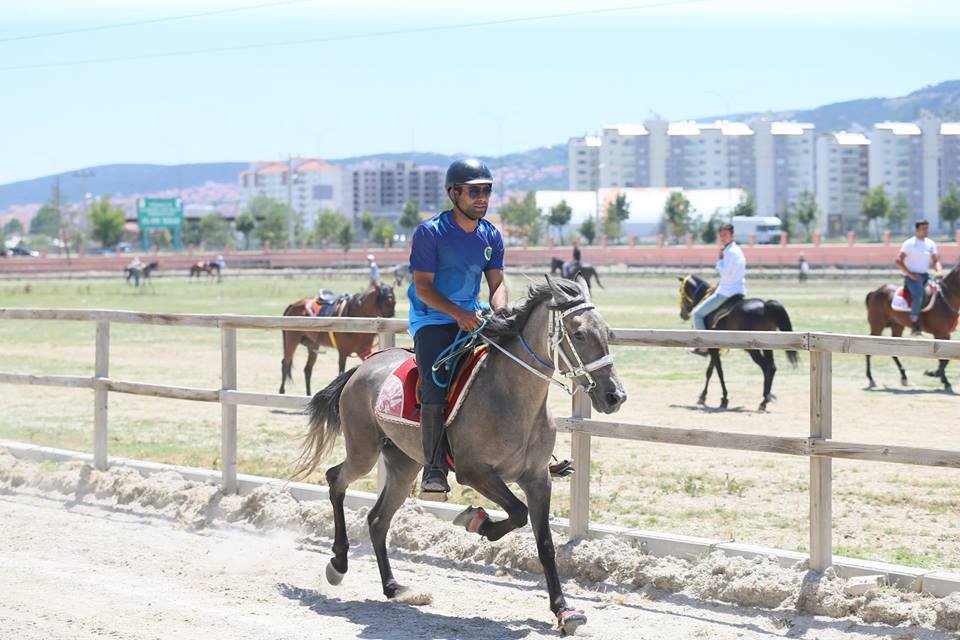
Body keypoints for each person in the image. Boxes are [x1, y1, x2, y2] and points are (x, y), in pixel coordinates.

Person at [408, 158, 507, 500]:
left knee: (511, 366)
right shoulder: (429, 233)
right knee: (435, 380)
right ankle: (434, 468)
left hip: (475, 317)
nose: (483, 197)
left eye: (487, 190)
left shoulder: (491, 234)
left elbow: (497, 284)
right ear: (453, 193)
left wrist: (501, 312)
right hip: (433, 318)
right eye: (475, 191)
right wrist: (457, 314)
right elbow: (423, 287)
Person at [690, 223, 746, 356]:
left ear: (732, 235)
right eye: (721, 236)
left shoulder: (728, 253)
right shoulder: (738, 250)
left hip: (726, 293)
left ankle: (704, 348)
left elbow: (725, 273)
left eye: (725, 235)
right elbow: (733, 274)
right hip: (739, 290)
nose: (722, 238)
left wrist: (719, 259)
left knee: (696, 315)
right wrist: (718, 284)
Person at [895, 219, 942, 336]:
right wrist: (911, 275)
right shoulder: (910, 243)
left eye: (927, 228)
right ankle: (915, 323)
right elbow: (898, 261)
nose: (926, 231)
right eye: (923, 228)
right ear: (917, 230)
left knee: (940, 292)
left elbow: (936, 261)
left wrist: (939, 271)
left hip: (926, 276)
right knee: (919, 294)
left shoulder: (930, 244)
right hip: (912, 278)